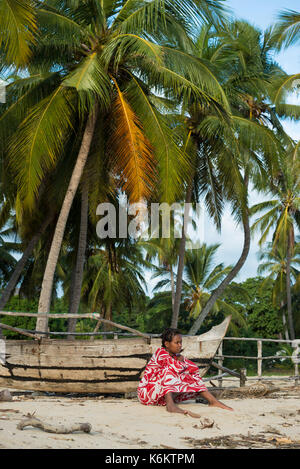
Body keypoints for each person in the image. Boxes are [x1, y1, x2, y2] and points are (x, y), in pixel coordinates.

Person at [138, 327, 233, 417]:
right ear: (167, 344)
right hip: (147, 394)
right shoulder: (161, 353)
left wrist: (182, 361)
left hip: (160, 396)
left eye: (181, 342)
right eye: (177, 343)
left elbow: (194, 369)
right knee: (168, 371)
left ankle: (212, 401)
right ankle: (170, 406)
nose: (180, 345)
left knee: (193, 377)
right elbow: (175, 368)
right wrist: (181, 361)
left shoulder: (177, 356)